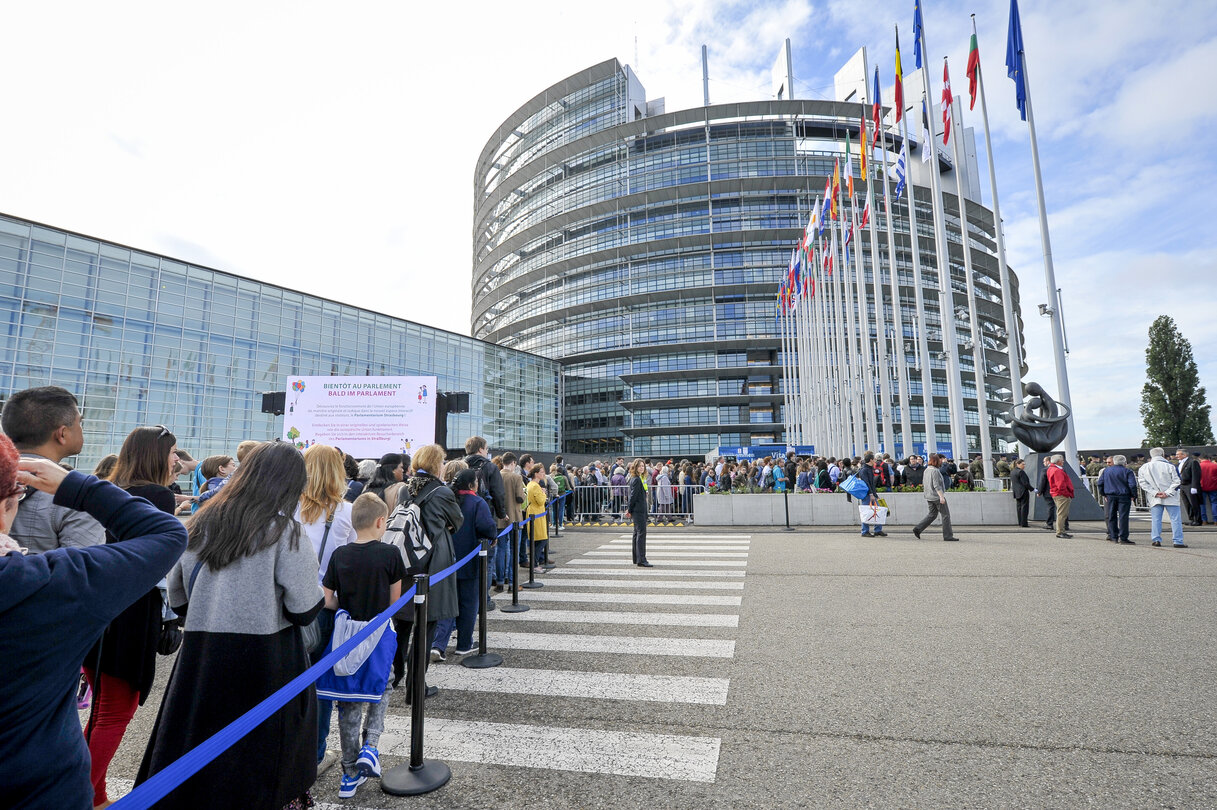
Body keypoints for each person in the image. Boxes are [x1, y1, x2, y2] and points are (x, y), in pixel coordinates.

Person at [136, 442, 323, 810]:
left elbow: (178, 598)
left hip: (201, 656)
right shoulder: (285, 533)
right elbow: (304, 608)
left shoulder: (201, 522)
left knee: (195, 745)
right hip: (269, 660)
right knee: (266, 756)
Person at [0, 447, 188, 810]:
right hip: (42, 789)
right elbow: (166, 534)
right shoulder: (49, 583)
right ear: (8, 505)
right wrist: (80, 488)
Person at [81, 425, 181, 808]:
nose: (176, 460)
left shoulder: (110, 489)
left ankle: (95, 793)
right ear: (156, 455)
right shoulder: (157, 495)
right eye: (172, 453)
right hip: (133, 611)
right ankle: (82, 795)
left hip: (100, 609)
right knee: (114, 712)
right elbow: (160, 559)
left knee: (103, 708)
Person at [316, 493, 404, 799]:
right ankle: (371, 746)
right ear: (382, 522)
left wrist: (345, 608)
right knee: (383, 686)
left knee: (349, 700)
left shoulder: (340, 554)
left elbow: (326, 598)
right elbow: (395, 602)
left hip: (347, 636)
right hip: (378, 633)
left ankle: (350, 772)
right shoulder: (390, 555)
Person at [293, 444, 359, 775]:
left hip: (290, 603)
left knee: (289, 678)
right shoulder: (347, 512)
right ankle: (314, 755)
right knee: (320, 684)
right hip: (327, 604)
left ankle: (287, 747)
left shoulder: (288, 507)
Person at [391, 445, 461, 695]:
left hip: (406, 561)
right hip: (432, 564)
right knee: (427, 625)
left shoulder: (404, 489)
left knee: (402, 624)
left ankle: (396, 676)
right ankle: (416, 686)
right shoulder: (442, 492)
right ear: (436, 464)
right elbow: (457, 521)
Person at [0, 385, 104, 552]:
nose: (82, 429)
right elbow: (84, 572)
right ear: (62, 434)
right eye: (80, 422)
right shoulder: (77, 498)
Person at [434, 469, 496, 658]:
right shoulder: (478, 503)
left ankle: (438, 644)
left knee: (446, 603)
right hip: (470, 560)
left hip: (446, 560)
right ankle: (464, 643)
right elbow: (488, 528)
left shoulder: (447, 500)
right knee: (469, 603)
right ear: (472, 485)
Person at [1138, 447, 1187, 548]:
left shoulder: (1144, 467)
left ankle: (1156, 539)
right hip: (1171, 497)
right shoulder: (1170, 466)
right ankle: (1177, 540)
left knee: (1156, 519)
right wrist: (1167, 492)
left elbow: (1142, 483)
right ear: (1163, 454)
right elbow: (1177, 481)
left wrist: (1155, 492)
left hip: (1154, 497)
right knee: (1175, 519)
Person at [913, 454, 959, 541]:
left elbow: (925, 483)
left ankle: (918, 528)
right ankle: (948, 536)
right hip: (937, 496)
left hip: (929, 496)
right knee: (946, 515)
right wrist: (941, 497)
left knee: (932, 514)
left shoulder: (926, 470)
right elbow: (936, 485)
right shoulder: (935, 471)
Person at [464, 436, 507, 528]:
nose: (487, 451)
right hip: (484, 513)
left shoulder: (460, 465)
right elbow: (498, 493)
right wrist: (501, 514)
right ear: (480, 450)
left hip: (462, 514)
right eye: (486, 448)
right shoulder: (491, 467)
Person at [498, 453, 526, 590]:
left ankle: (499, 582)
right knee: (514, 550)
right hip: (514, 517)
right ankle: (512, 583)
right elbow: (520, 498)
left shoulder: (496, 475)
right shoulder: (516, 477)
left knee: (500, 550)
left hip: (499, 518)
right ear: (513, 463)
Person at [1097, 455, 1138, 545]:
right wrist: (1133, 495)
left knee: (1111, 516)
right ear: (1124, 462)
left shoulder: (1106, 471)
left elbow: (1100, 483)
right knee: (1123, 517)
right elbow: (1132, 485)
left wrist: (1103, 494)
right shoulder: (1128, 471)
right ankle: (1123, 537)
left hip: (1110, 495)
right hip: (1124, 496)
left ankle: (1113, 536)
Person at [625, 459, 651, 567]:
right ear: (635, 468)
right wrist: (629, 510)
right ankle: (641, 559)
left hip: (639, 510)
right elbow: (633, 496)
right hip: (638, 510)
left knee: (637, 534)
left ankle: (637, 558)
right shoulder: (636, 479)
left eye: (643, 466)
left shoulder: (639, 478)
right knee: (641, 534)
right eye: (639, 466)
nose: (642, 468)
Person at [524, 463, 550, 566]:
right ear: (536, 474)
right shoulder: (535, 486)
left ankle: (535, 563)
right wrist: (544, 493)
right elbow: (540, 501)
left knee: (538, 540)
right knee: (541, 539)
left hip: (535, 513)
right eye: (541, 472)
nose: (543, 474)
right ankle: (534, 564)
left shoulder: (532, 484)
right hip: (536, 514)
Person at [857, 453, 887, 538]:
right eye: (873, 459)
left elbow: (870, 483)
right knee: (866, 512)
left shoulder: (867, 469)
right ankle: (865, 531)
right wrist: (871, 494)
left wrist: (875, 494)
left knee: (876, 511)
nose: (875, 461)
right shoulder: (865, 470)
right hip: (867, 494)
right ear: (870, 460)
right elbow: (867, 483)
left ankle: (877, 530)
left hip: (870, 494)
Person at [1046, 454, 1075, 539]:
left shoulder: (1051, 469)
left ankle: (1061, 531)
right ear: (1058, 461)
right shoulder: (1057, 471)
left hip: (1056, 493)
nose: (1063, 461)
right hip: (1061, 494)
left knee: (1061, 513)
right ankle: (1060, 532)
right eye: (1062, 460)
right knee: (1062, 514)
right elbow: (1061, 485)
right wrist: (1066, 494)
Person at [1176, 449, 1203, 526]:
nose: (1176, 456)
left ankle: (1197, 520)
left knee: (1194, 504)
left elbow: (1196, 475)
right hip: (1182, 485)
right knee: (1187, 504)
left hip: (1190, 485)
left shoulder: (1192, 462)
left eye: (1178, 454)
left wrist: (1194, 486)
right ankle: (1191, 519)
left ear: (1184, 455)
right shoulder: (1179, 464)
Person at [1036, 456, 1057, 532]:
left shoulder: (1045, 470)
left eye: (1044, 461)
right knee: (1061, 508)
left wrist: (1039, 492)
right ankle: (1065, 524)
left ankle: (1049, 524)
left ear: (1048, 461)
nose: (1043, 463)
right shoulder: (1059, 469)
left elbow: (1042, 482)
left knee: (1050, 508)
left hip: (1048, 492)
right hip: (1058, 492)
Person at [1010, 459, 1032, 528]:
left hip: (1017, 492)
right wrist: (1033, 489)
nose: (1024, 466)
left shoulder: (1013, 472)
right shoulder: (1021, 472)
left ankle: (1020, 522)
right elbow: (1025, 483)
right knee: (1024, 508)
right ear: (1018, 464)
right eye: (1023, 464)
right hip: (1023, 491)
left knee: (1019, 508)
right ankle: (1024, 523)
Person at [1200, 454, 1217, 526]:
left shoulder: (1199, 465)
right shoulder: (1215, 465)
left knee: (1202, 504)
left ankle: (1204, 520)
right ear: (1209, 459)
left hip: (1201, 487)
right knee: (1214, 503)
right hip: (1214, 487)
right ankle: (1216, 521)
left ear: (1201, 459)